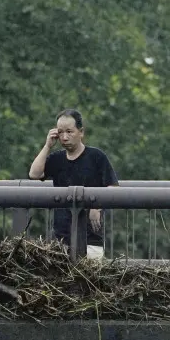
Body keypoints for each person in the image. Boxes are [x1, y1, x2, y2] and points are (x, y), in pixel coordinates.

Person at [28, 108, 118, 258]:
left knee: (89, 280)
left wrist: (98, 205)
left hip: (91, 238)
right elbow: (34, 174)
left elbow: (113, 187)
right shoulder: (56, 159)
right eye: (60, 132)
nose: (64, 137)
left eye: (69, 132)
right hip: (60, 239)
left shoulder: (97, 156)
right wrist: (47, 146)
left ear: (81, 132)